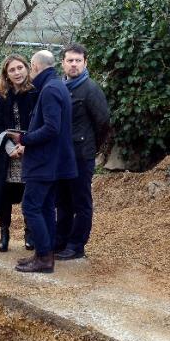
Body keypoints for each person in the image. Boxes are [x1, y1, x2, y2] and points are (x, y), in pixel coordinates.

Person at [8, 50, 77, 273]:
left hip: (45, 162)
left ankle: (44, 258)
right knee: (46, 207)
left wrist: (24, 138)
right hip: (53, 162)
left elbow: (51, 128)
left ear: (35, 66)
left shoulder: (49, 90)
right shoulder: (58, 86)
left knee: (31, 206)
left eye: (30, 66)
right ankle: (43, 254)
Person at [54, 43, 111, 260]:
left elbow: (103, 123)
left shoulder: (91, 89)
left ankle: (77, 245)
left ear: (85, 63)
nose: (74, 64)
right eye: (70, 60)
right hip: (62, 156)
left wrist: (91, 146)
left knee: (81, 202)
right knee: (62, 201)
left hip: (81, 156)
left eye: (78, 60)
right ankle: (60, 241)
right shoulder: (60, 87)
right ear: (63, 63)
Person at [0, 54, 39, 253]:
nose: (17, 72)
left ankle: (29, 233)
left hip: (30, 150)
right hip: (7, 154)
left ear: (27, 69)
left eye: (20, 68)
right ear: (6, 75)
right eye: (12, 70)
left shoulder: (36, 92)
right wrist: (10, 148)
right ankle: (4, 234)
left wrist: (26, 145)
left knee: (29, 193)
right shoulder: (1, 96)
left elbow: (39, 122)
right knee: (5, 194)